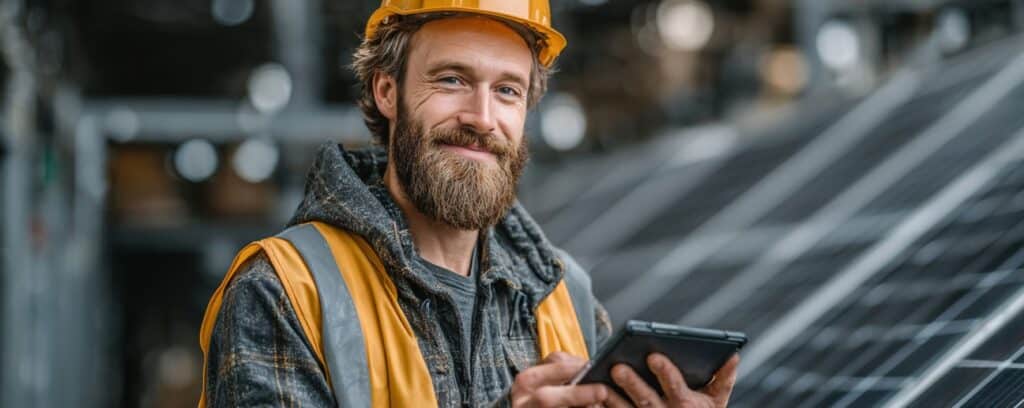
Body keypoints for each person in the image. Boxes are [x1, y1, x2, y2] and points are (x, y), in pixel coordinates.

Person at [197, 1, 739, 406]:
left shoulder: (563, 295)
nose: (482, 117)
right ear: (387, 91)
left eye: (508, 91)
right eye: (453, 79)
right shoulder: (285, 291)